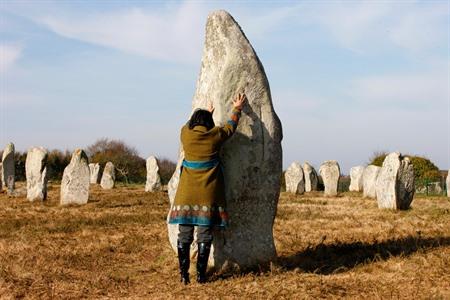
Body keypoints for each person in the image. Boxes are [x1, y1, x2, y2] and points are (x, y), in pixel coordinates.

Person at [168, 93, 247, 284]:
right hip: (207, 195)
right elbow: (231, 127)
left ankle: (183, 275)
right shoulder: (215, 136)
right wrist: (237, 108)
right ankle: (201, 275)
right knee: (204, 234)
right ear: (209, 123)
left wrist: (204, 113)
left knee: (184, 235)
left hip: (186, 195)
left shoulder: (185, 135)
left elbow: (188, 124)